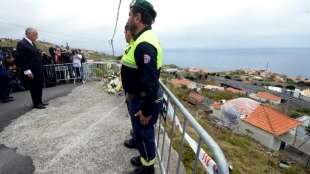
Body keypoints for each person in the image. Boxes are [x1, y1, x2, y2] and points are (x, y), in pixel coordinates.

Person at [121, 1, 163, 173]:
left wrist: (146, 111)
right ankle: (144, 159)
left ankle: (148, 170)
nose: (129, 18)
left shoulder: (145, 44)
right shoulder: (140, 40)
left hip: (143, 101)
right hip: (137, 98)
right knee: (140, 133)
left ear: (137, 18)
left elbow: (151, 82)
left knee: (145, 136)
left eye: (130, 15)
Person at [16, 27, 48, 109]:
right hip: (31, 70)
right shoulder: (22, 43)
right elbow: (22, 59)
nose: (37, 36)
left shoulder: (32, 43)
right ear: (29, 34)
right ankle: (36, 103)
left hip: (38, 69)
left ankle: (39, 101)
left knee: (39, 85)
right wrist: (27, 71)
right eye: (35, 34)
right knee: (34, 87)